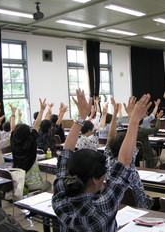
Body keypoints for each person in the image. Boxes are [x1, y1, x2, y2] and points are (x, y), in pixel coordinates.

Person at [52, 89, 152, 231]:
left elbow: (65, 154)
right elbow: (124, 161)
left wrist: (81, 116)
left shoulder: (60, 200)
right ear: (95, 179)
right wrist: (134, 121)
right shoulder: (102, 208)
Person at [0, 102, 30, 232]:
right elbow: (13, 132)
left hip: (3, 174)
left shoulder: (6, 142)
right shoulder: (5, 142)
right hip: (0, 175)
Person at [104, 97, 154, 209]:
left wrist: (116, 113)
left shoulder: (107, 159)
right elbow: (131, 141)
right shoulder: (127, 165)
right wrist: (133, 118)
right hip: (140, 207)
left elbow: (110, 137)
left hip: (118, 204)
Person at [11, 99, 51, 192]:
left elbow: (13, 128)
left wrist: (13, 113)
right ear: (28, 133)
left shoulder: (13, 142)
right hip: (33, 183)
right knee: (49, 184)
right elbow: (37, 125)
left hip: (19, 181)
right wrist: (42, 110)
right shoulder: (31, 141)